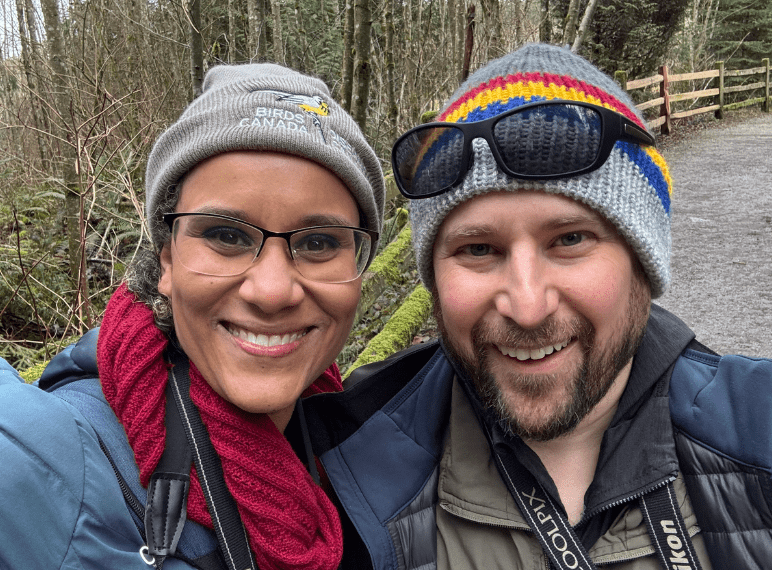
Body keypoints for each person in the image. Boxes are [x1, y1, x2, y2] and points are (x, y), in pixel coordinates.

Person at [301, 43, 772, 569]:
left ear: (643, 262)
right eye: (478, 249)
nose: (527, 307)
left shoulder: (758, 424)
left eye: (570, 240)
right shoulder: (338, 461)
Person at [0, 63, 385, 569]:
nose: (272, 292)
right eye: (226, 235)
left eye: (319, 243)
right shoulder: (51, 463)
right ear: (167, 261)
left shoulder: (364, 443)